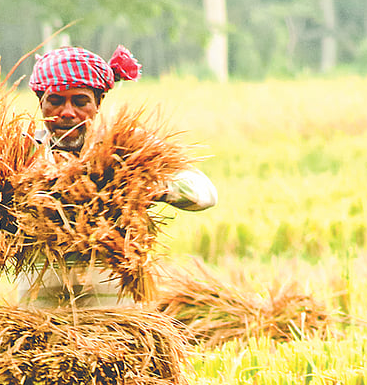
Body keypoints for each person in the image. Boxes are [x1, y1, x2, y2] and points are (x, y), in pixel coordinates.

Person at [18, 45, 218, 308]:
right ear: (41, 103)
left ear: (98, 103)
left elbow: (205, 194)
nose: (67, 112)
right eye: (56, 101)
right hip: (39, 316)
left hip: (114, 315)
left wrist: (149, 186)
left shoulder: (127, 149)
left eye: (80, 102)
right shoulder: (20, 153)